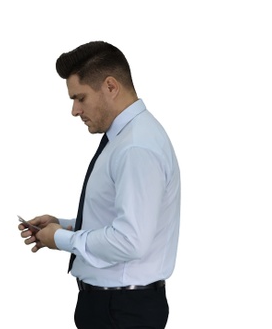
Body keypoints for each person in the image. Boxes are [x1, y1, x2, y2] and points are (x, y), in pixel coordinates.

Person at [18, 41, 181, 329]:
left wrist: (61, 239)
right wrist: (66, 225)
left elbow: (130, 241)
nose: (74, 110)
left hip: (120, 312)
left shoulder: (135, 147)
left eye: (80, 98)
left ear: (110, 86)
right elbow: (120, 221)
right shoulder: (125, 139)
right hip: (115, 307)